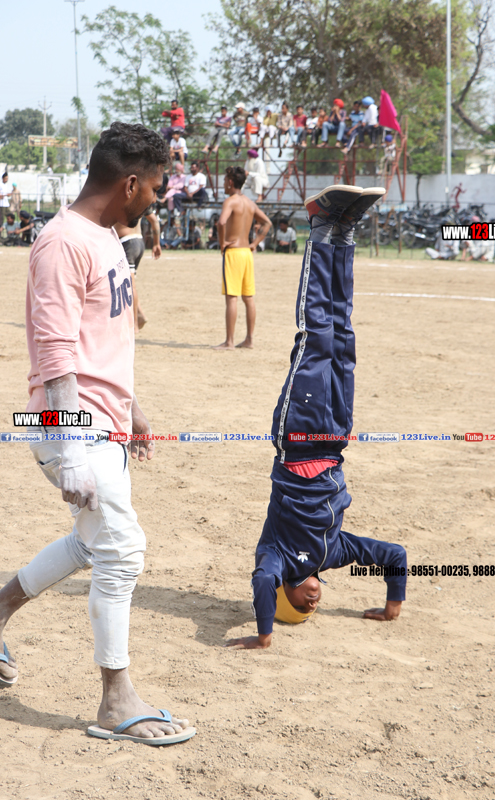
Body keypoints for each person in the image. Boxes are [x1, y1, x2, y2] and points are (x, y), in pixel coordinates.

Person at [0, 122, 195, 746]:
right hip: (68, 422)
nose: (158, 199)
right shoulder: (62, 243)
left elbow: (104, 339)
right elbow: (57, 354)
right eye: (156, 188)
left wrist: (131, 408)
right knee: (122, 549)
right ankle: (116, 700)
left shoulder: (108, 237)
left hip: (99, 420)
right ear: (130, 183)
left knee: (92, 544)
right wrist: (72, 450)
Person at [224, 184, 405, 651]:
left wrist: (265, 634)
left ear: (284, 592)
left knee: (316, 336)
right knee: (342, 339)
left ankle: (321, 225)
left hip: (298, 436)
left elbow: (261, 582)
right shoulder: (334, 552)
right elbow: (394, 555)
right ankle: (345, 230)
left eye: (300, 606)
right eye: (313, 608)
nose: (312, 602)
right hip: (335, 437)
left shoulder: (276, 558)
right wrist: (392, 606)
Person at [213, 166, 272, 350]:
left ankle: (229, 341)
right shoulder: (249, 203)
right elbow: (267, 223)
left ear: (231, 182)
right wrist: (254, 244)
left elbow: (221, 222)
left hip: (233, 252)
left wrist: (222, 243)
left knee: (232, 298)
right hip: (247, 253)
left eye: (225, 180)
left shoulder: (230, 201)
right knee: (248, 297)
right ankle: (249, 340)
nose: (224, 183)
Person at [115, 207, 161, 333]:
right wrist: (156, 243)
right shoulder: (140, 199)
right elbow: (154, 221)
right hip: (139, 241)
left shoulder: (120, 199)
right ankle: (139, 315)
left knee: (130, 286)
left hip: (127, 242)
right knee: (129, 283)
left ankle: (134, 324)